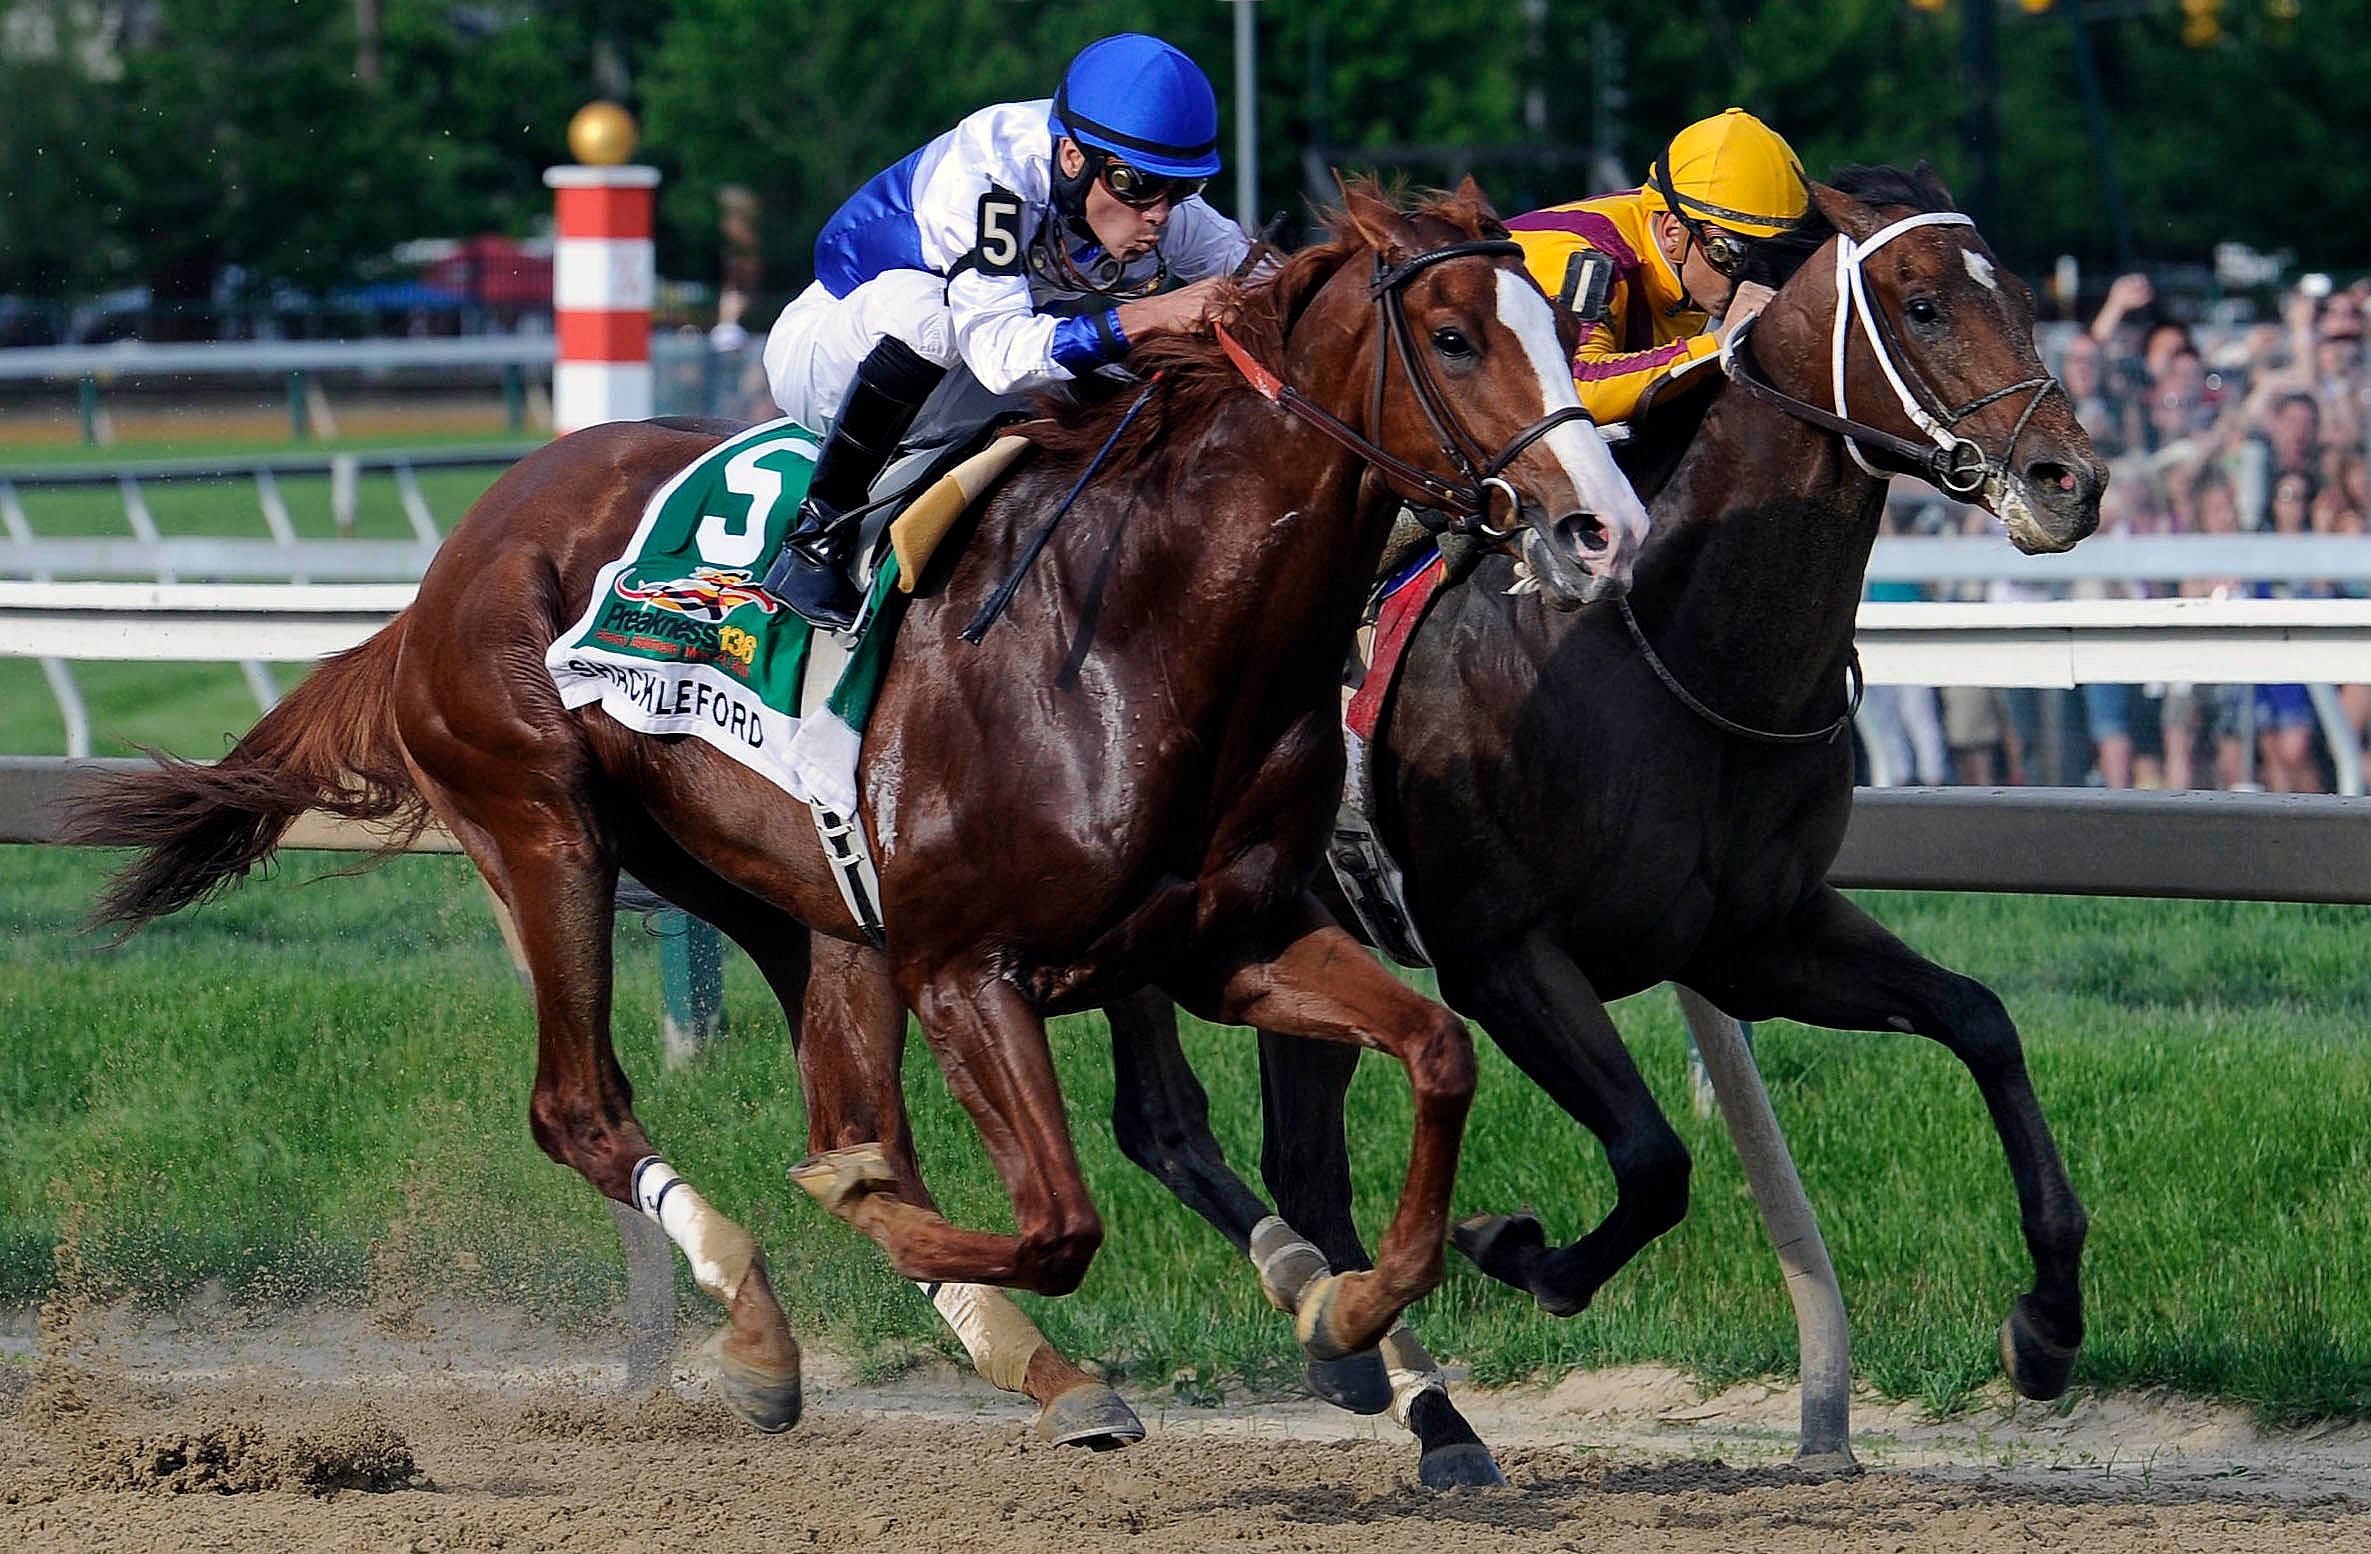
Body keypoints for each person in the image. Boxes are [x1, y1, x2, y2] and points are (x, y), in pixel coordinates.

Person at [759, 33, 1251, 629]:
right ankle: (817, 537)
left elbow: (1275, 287)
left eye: (1181, 189)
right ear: (1073, 157)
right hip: (832, 361)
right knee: (935, 314)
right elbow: (998, 356)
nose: (1158, 212)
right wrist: (1150, 314)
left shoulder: (1154, 206)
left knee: (1140, 371)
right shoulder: (994, 169)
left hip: (961, 392)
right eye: (1136, 184)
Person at [1501, 108, 1810, 426]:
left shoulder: (1687, 244)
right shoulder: (1592, 262)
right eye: (1732, 254)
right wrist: (1717, 344)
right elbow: (1574, 389)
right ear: (1673, 232)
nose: (1752, 281)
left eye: (1773, 258)